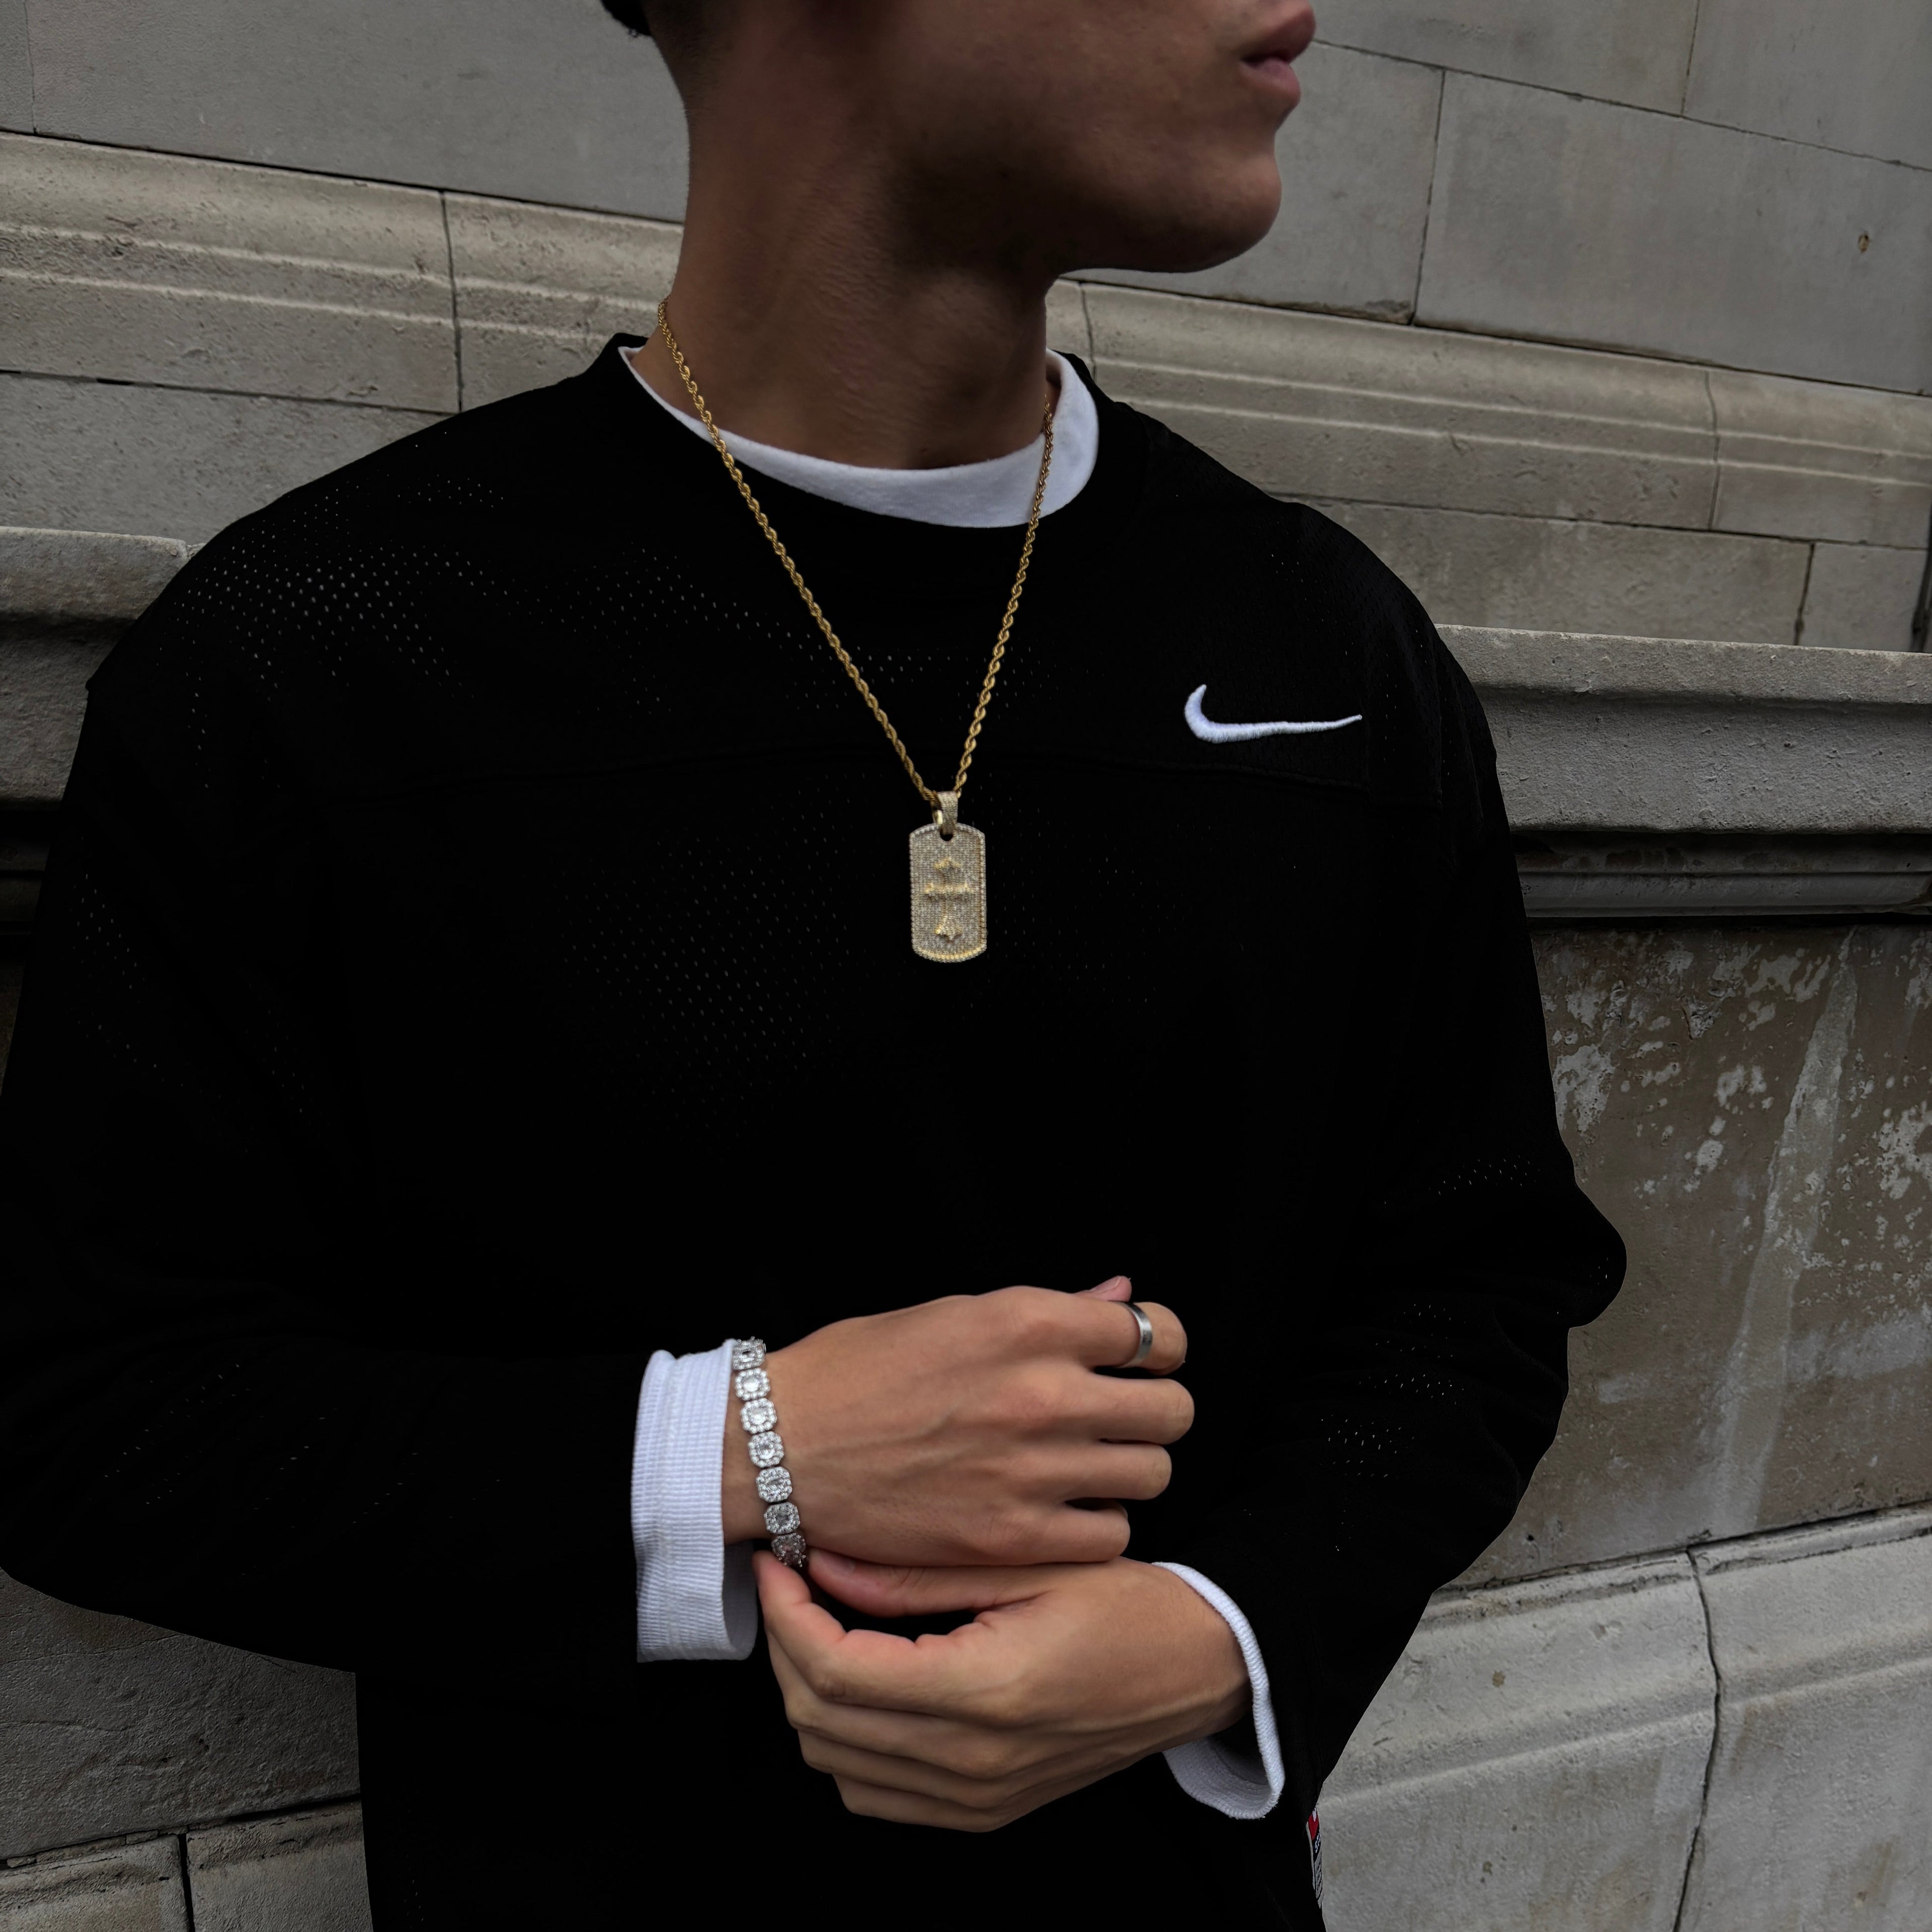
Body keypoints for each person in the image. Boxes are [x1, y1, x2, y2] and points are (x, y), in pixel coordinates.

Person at [0, 2, 1625, 1924]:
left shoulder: (1329, 654)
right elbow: (89, 1406)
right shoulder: (327, 660)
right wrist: (734, 1451)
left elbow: (1482, 1277)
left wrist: (1224, 1629)